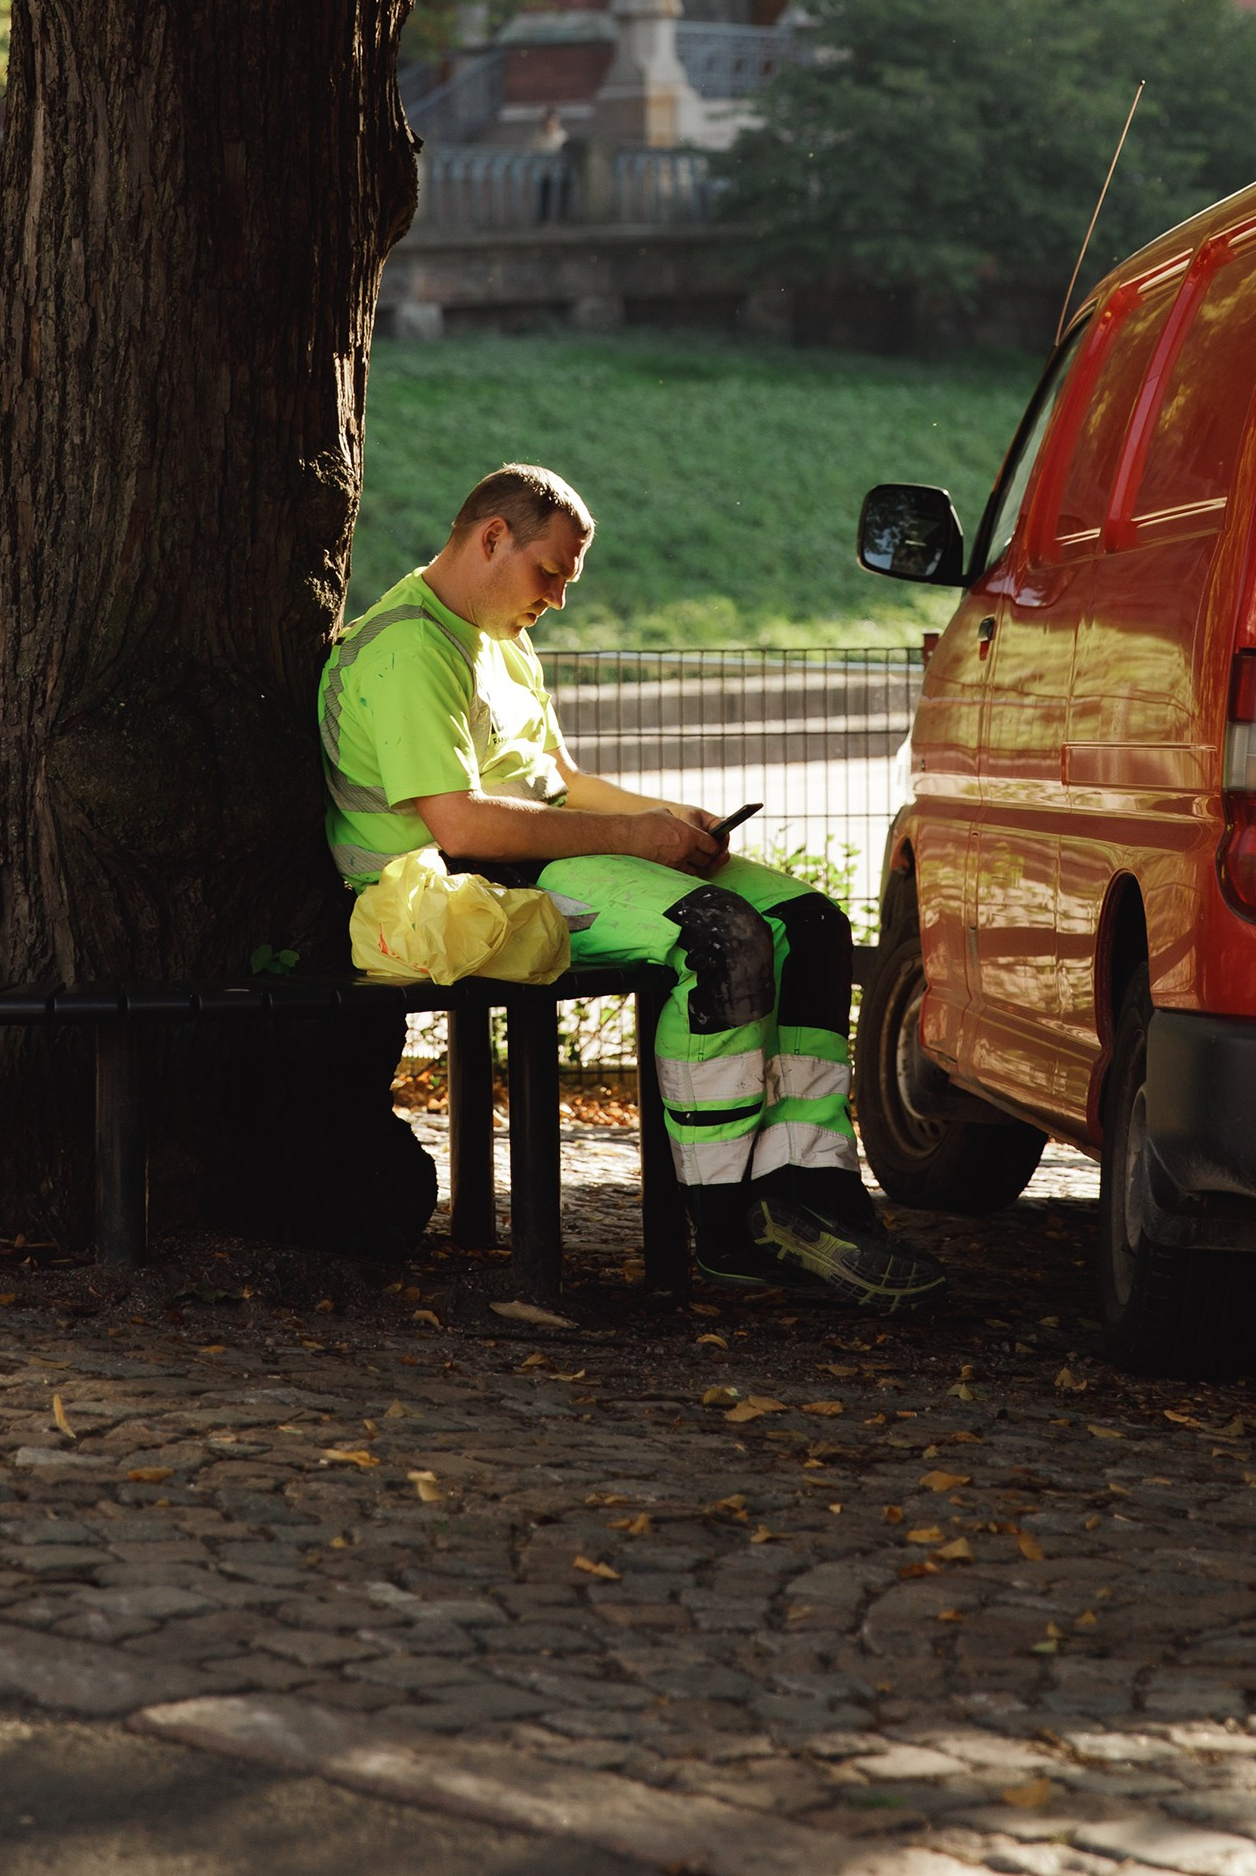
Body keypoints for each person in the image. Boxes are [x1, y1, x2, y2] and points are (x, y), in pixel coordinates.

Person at [318, 461, 944, 1312]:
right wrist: (632, 836)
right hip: (460, 893)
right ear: (491, 538)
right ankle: (731, 1220)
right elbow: (461, 827)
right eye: (551, 574)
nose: (560, 599)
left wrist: (668, 818)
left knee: (813, 923)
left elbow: (558, 781)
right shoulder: (407, 647)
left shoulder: (497, 635)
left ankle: (812, 1186)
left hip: (533, 865)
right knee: (718, 937)